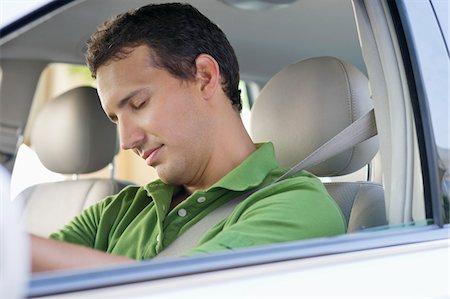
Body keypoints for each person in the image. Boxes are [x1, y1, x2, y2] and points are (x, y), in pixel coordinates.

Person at [31, 3, 345, 272]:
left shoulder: (299, 206)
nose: (126, 141)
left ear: (205, 77)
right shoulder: (117, 211)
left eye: (138, 104)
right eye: (115, 119)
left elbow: (179, 289)